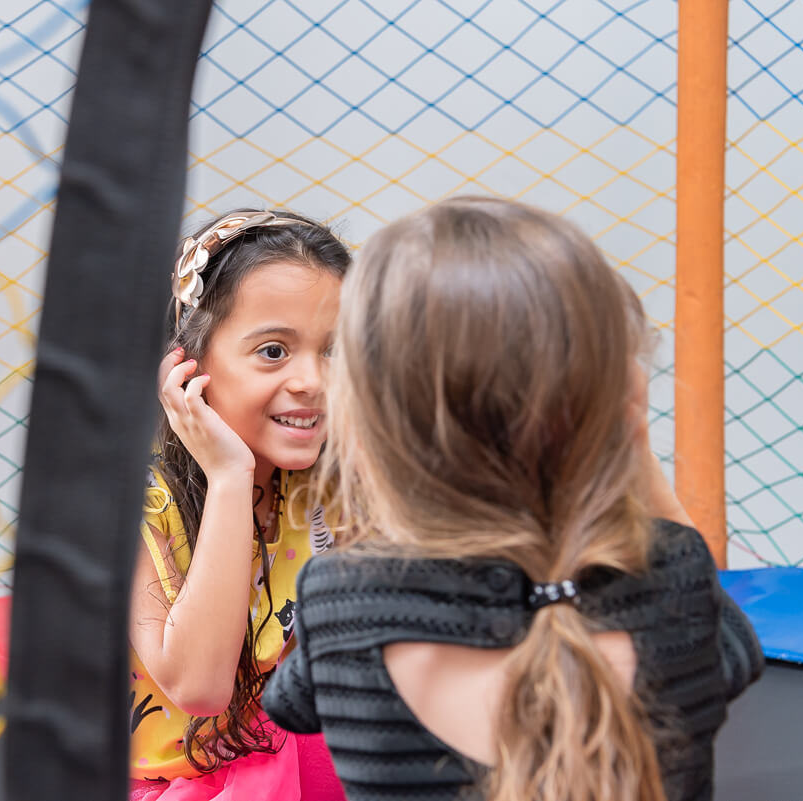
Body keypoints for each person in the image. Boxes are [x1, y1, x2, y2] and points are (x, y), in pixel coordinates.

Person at [262, 196, 764, 801]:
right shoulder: (673, 575)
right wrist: (633, 444)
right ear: (615, 402)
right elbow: (736, 652)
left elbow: (290, 704)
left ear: (372, 423)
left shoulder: (343, 601)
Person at [129, 210, 350, 801]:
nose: (313, 380)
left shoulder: (322, 486)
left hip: (276, 751)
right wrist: (229, 477)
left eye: (333, 351)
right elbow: (199, 689)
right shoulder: (133, 506)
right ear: (188, 365)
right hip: (168, 784)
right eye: (274, 351)